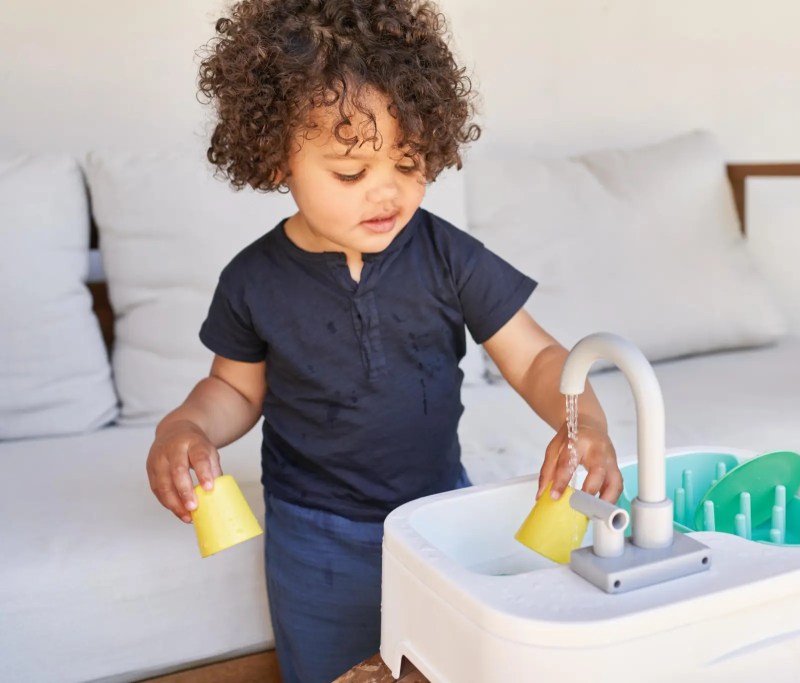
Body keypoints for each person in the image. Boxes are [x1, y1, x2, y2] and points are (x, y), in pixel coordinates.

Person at [145, 1, 623, 680]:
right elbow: (232, 387)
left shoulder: (448, 256)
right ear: (275, 156)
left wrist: (584, 425)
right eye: (350, 172)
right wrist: (186, 426)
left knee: (445, 665)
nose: (388, 193)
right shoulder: (252, 280)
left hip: (437, 517)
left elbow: (537, 356)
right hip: (316, 537)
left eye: (409, 162)